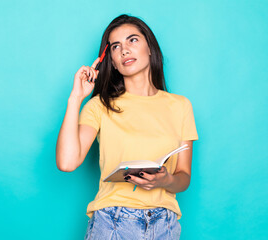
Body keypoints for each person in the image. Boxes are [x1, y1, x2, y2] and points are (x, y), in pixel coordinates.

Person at [56, 14, 198, 240]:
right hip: (112, 221)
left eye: (132, 40)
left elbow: (184, 176)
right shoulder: (100, 105)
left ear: (150, 48)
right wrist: (75, 98)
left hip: (165, 226)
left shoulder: (180, 106)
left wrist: (165, 180)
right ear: (111, 59)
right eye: (115, 46)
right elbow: (67, 162)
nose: (124, 50)